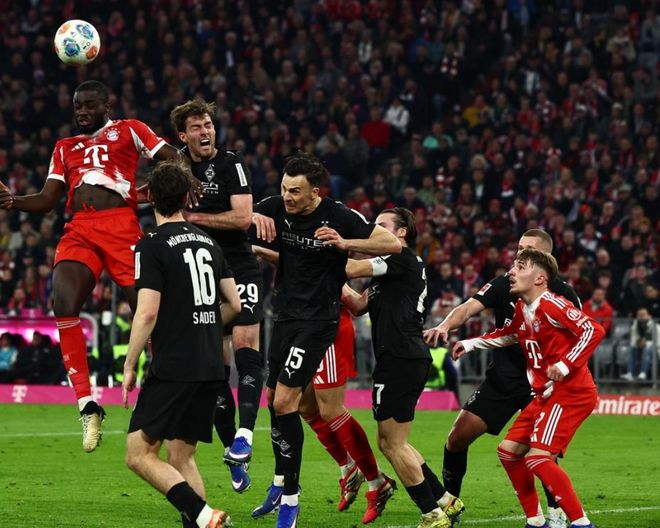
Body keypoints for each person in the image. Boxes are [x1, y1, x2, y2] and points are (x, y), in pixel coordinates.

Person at [0, 80, 201, 452]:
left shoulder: (130, 129)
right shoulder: (64, 147)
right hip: (80, 227)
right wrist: (13, 202)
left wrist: (178, 180)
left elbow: (172, 156)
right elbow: (47, 199)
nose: (82, 111)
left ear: (107, 106)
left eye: (89, 105)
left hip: (121, 225)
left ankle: (168, 391)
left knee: (149, 309)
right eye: (78, 105)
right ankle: (87, 404)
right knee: (63, 304)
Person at [251, 153, 402, 528]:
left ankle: (374, 481)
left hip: (324, 323)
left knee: (325, 409)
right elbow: (287, 252)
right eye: (284, 188)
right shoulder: (275, 208)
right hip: (287, 317)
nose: (287, 196)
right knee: (297, 406)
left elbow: (391, 246)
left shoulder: (337, 216)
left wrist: (344, 242)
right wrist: (252, 225)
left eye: (295, 191)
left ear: (315, 192)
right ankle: (345, 468)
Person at [423, 229, 580, 528]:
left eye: (528, 249)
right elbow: (469, 309)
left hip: (542, 383)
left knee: (541, 451)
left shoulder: (563, 294)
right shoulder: (505, 283)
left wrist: (563, 371)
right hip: (503, 379)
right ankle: (451, 505)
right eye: (519, 248)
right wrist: (446, 326)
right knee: (456, 439)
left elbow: (580, 337)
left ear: (546, 257)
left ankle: (556, 513)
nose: (520, 254)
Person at [122, 160, 241, 528]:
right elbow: (234, 304)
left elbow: (146, 313)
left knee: (138, 453)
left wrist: (129, 364)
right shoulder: (209, 242)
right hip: (209, 364)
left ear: (150, 197)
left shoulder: (151, 245)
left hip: (175, 365)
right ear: (188, 197)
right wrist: (202, 325)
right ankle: (202, 522)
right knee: (182, 456)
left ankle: (205, 516)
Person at [452, 249, 604, 528]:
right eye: (513, 266)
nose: (511, 271)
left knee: (538, 458)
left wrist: (566, 364)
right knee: (508, 452)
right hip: (545, 394)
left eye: (520, 267)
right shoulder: (523, 308)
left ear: (540, 278)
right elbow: (510, 334)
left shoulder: (552, 304)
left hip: (570, 392)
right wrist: (471, 343)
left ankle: (581, 523)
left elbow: (593, 330)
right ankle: (536, 522)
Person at [342, 207, 464, 528]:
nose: (374, 230)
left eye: (381, 226)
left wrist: (316, 252)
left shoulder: (398, 258)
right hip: (401, 357)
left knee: (391, 444)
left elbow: (350, 267)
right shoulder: (389, 269)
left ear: (401, 233)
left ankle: (431, 514)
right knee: (395, 441)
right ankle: (445, 500)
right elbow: (357, 305)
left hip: (401, 357)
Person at [171, 98, 263, 492]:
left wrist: (195, 218)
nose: (205, 131)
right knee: (213, 365)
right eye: (196, 127)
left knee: (246, 343)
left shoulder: (231, 163)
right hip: (200, 270)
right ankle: (231, 450)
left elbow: (242, 217)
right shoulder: (174, 166)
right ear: (183, 135)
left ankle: (245, 435)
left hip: (238, 264)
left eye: (207, 124)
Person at [621, 306, 658, 381]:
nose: (641, 317)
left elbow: (656, 340)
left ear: (648, 315)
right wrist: (637, 342)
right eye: (639, 315)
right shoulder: (635, 325)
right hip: (639, 347)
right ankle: (630, 373)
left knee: (646, 350)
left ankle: (643, 373)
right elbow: (634, 338)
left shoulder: (654, 325)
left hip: (654, 348)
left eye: (643, 315)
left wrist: (646, 343)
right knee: (632, 349)